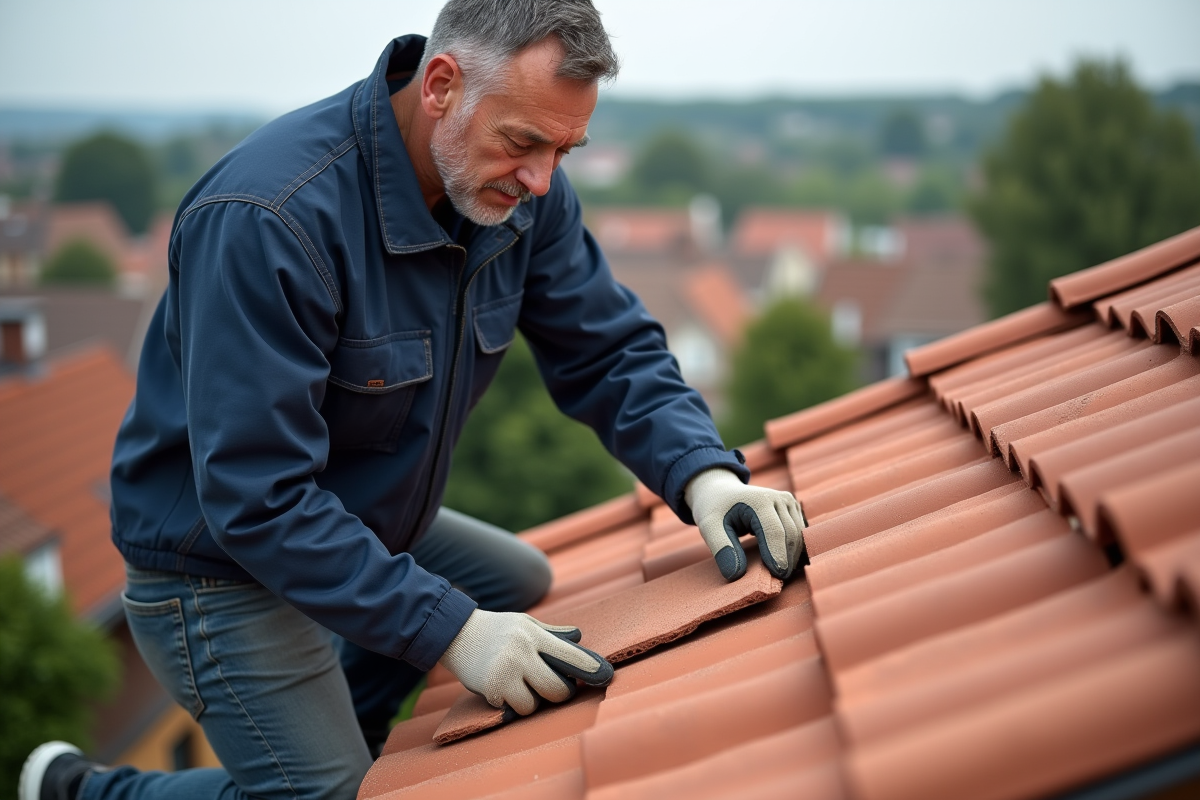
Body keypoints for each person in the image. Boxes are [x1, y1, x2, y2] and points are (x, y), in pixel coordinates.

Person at [20, 1, 804, 799]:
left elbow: (608, 347)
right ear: (440, 86)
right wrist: (451, 631)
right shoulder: (271, 221)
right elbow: (257, 498)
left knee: (518, 584)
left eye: (565, 149)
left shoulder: (516, 193)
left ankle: (336, 744)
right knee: (335, 799)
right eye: (523, 142)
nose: (541, 181)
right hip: (217, 565)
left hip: (355, 521)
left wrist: (704, 474)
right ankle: (87, 792)